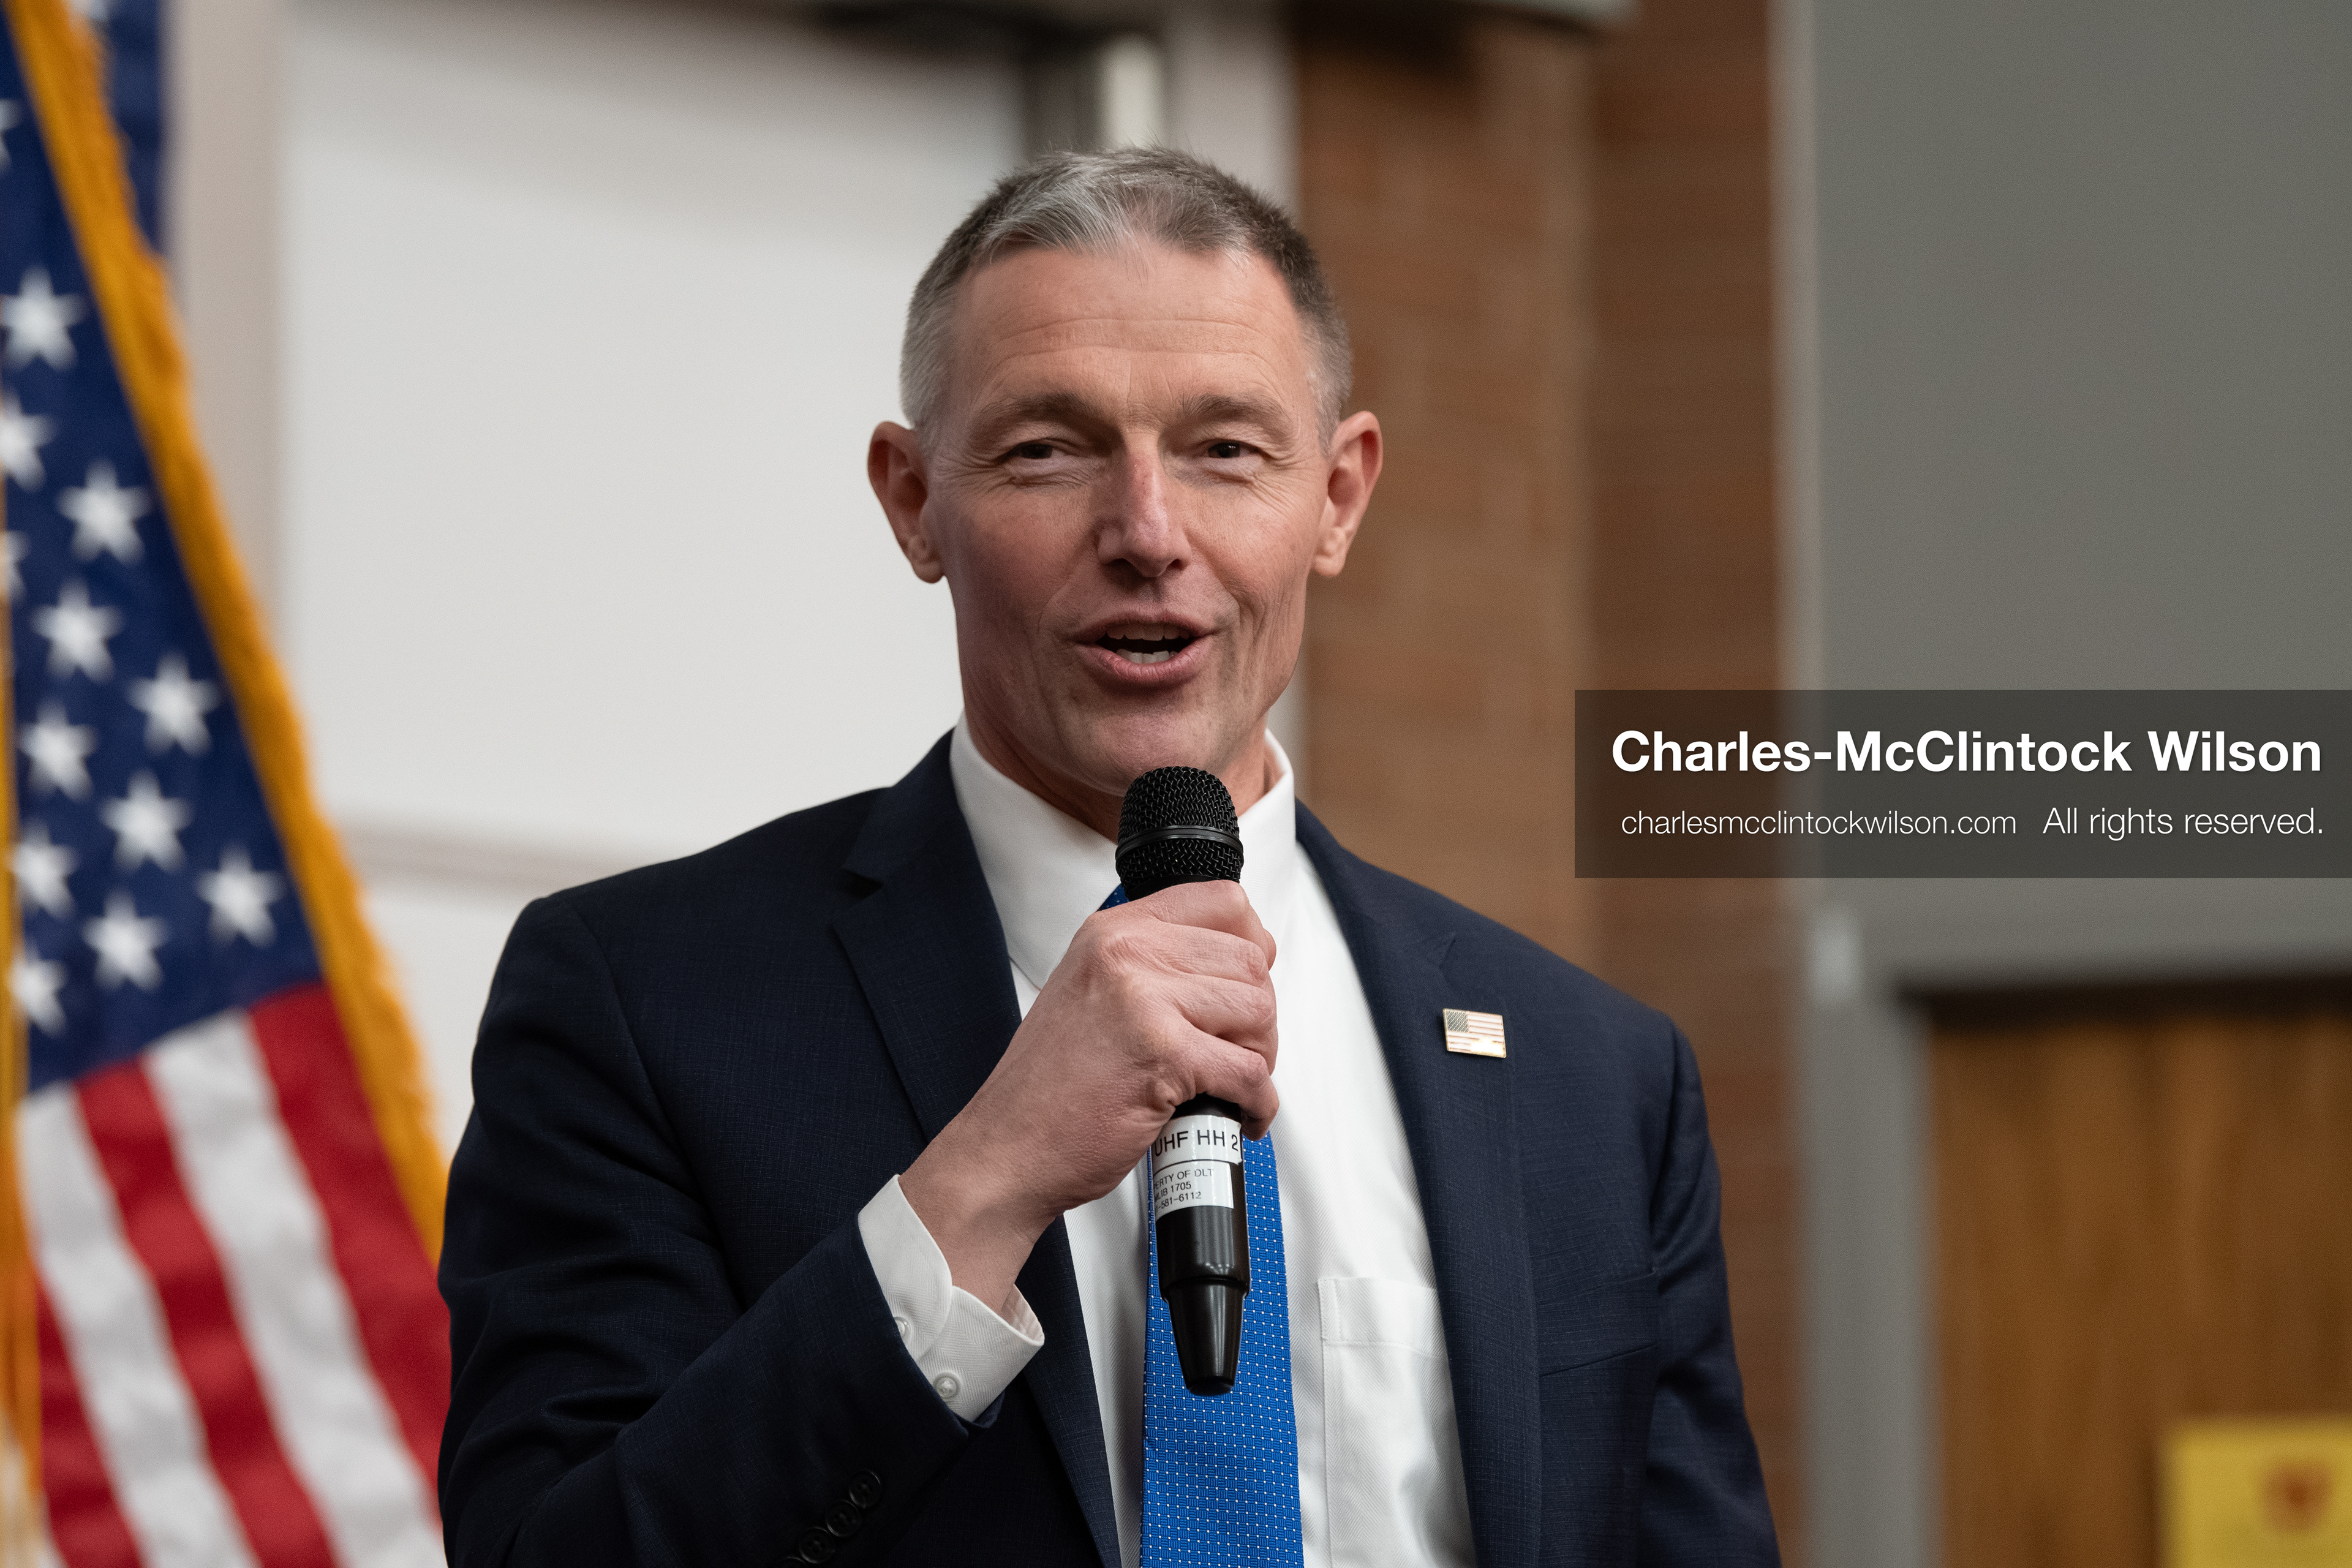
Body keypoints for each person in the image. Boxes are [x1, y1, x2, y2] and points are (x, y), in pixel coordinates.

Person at [438, 149, 1779, 1568]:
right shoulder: (644, 1002)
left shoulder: (1596, 1077)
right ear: (911, 501)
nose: (1148, 533)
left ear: (1338, 497)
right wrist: (985, 1178)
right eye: (1047, 449)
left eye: (1226, 450)